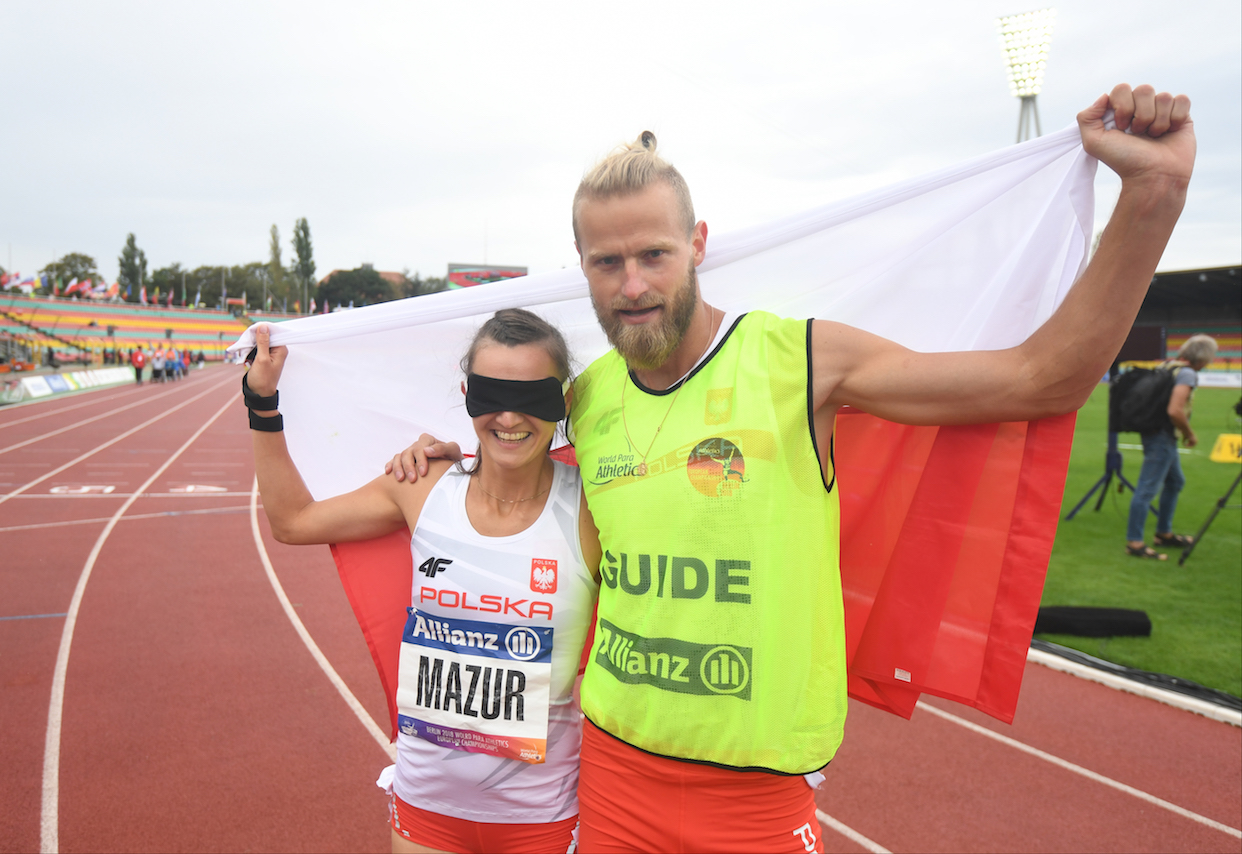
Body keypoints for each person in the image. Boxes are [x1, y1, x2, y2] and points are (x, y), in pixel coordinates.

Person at [392, 84, 1194, 853]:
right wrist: (444, 458)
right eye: (607, 263)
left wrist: (1152, 195)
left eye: (654, 255)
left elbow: (1037, 378)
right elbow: (510, 448)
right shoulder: (589, 397)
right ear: (581, 265)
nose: (632, 286)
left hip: (758, 793)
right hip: (611, 774)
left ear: (698, 244)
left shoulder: (800, 361)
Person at [246, 310, 601, 854]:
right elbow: (292, 522)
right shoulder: (422, 485)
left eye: (532, 395)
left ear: (564, 401)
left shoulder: (591, 509)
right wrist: (262, 405)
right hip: (425, 814)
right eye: (490, 394)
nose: (510, 416)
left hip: (543, 820)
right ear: (466, 394)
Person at [1125, 333, 1218, 559]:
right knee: (1146, 489)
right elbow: (1175, 410)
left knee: (1175, 481)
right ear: (1203, 358)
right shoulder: (1186, 374)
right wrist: (1189, 433)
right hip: (1163, 436)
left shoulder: (1167, 366)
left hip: (1153, 431)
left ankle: (1163, 533)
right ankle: (1135, 543)